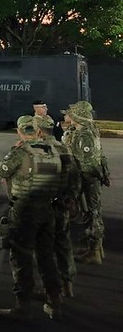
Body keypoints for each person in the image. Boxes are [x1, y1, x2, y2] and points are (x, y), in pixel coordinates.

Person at [0, 115, 64, 320]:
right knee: (46, 258)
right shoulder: (53, 151)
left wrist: (14, 151)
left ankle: (22, 306)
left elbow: (1, 170)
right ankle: (55, 302)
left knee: (21, 259)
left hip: (25, 212)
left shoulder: (21, 152)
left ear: (19, 131)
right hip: (47, 210)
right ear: (38, 131)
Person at [35, 113, 80, 299]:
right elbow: (75, 178)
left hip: (43, 207)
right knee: (63, 245)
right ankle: (67, 284)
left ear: (38, 130)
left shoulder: (38, 150)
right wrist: (71, 198)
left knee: (44, 249)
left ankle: (50, 289)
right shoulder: (64, 149)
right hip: (62, 205)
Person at [62, 101, 110, 265]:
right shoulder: (84, 131)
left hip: (86, 180)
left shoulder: (84, 135)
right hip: (88, 179)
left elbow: (86, 164)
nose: (67, 115)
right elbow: (100, 155)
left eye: (71, 113)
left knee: (92, 213)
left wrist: (75, 188)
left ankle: (95, 251)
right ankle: (94, 248)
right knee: (91, 212)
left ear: (78, 116)